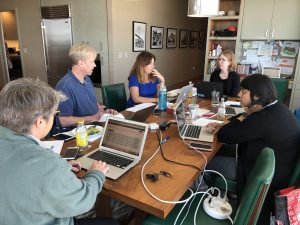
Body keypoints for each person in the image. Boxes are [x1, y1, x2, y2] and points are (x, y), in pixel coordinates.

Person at [0, 78, 118, 225]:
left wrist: (61, 167)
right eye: (54, 113)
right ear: (40, 122)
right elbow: (82, 201)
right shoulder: (47, 163)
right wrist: (96, 174)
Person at [205, 74, 300, 224]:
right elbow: (243, 119)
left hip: (263, 177)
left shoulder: (263, 120)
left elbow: (224, 135)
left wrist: (229, 124)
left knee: (205, 164)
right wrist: (242, 116)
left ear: (256, 96)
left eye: (243, 91)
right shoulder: (276, 107)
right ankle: (229, 194)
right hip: (280, 169)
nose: (238, 94)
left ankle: (211, 198)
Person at [55, 44, 117, 130]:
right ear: (81, 63)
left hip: (93, 127)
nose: (95, 65)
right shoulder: (64, 86)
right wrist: (94, 117)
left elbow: (93, 103)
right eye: (92, 62)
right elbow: (63, 121)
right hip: (76, 133)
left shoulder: (87, 80)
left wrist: (102, 111)